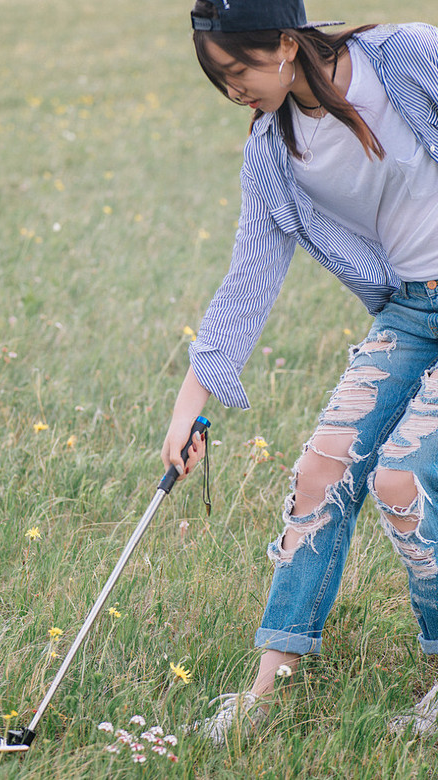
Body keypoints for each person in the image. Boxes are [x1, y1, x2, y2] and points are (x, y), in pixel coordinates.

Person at [160, 0, 438, 746]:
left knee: (402, 477)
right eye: (218, 80)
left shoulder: (404, 55)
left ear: (286, 42)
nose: (234, 91)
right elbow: (247, 279)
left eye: (239, 69)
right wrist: (190, 403)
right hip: (414, 312)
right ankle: (267, 691)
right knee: (319, 476)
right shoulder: (272, 152)